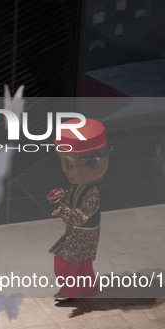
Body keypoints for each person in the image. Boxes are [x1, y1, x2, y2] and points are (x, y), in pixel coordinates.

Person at [48, 118, 110, 301]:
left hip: (84, 233)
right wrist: (64, 197)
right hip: (82, 233)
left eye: (71, 165)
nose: (66, 170)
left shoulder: (93, 192)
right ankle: (89, 288)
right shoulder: (80, 185)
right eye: (63, 163)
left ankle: (70, 292)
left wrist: (63, 211)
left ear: (95, 165)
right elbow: (74, 200)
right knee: (82, 263)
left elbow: (81, 215)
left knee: (64, 262)